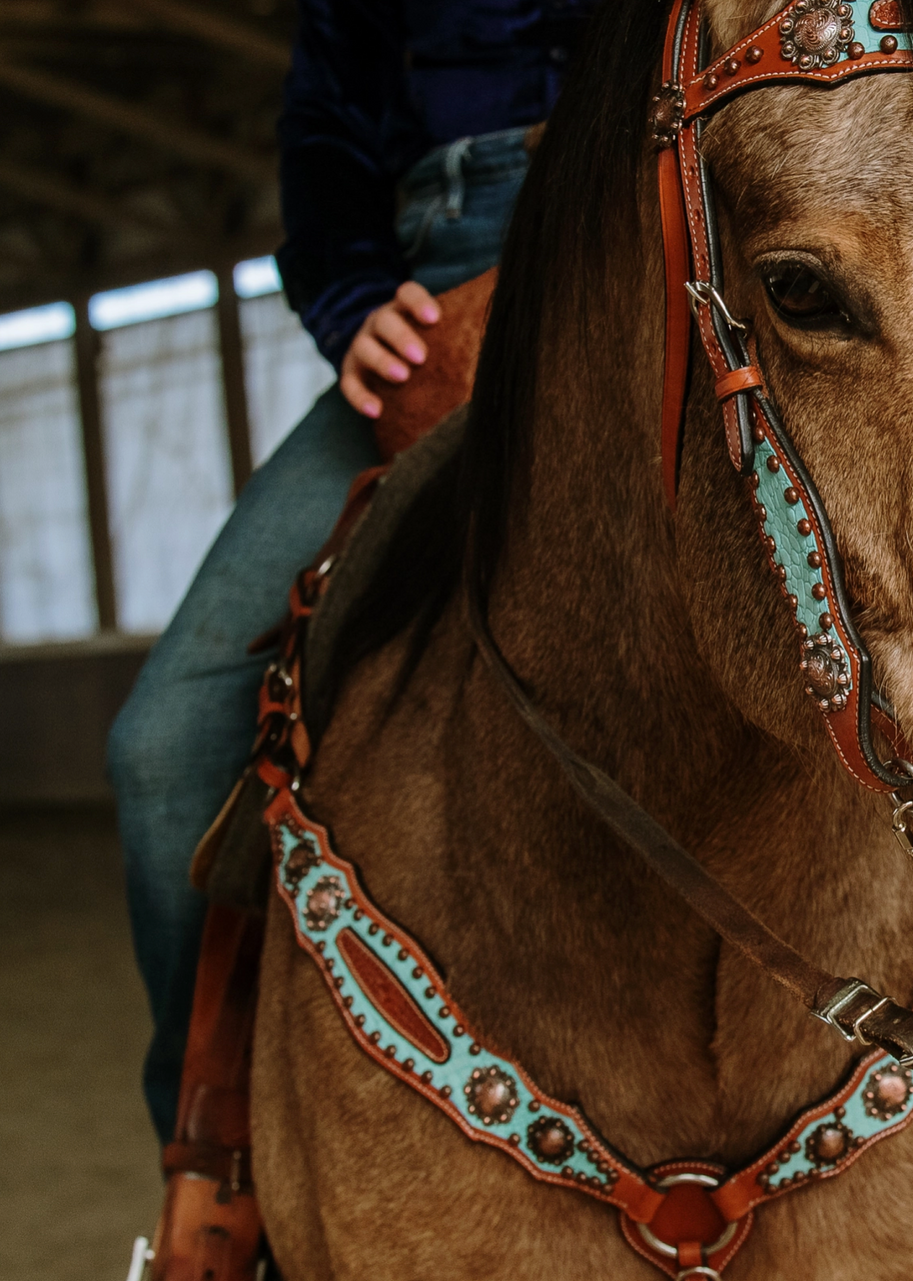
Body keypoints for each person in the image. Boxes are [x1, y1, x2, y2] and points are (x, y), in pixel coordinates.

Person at [106, 0, 591, 1145]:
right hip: (429, 308)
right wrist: (354, 302)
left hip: (642, 257)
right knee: (164, 746)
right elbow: (322, 138)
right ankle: (213, 1145)